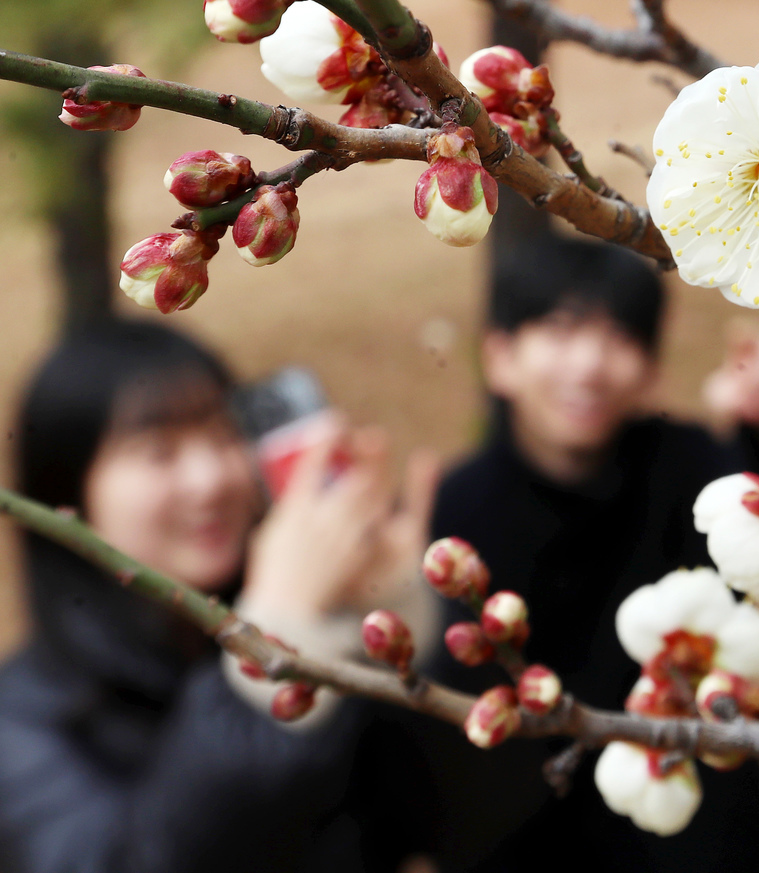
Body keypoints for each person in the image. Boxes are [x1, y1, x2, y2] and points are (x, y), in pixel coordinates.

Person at [424, 236, 759, 872]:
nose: (589, 363)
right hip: (543, 839)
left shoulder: (685, 464)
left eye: (620, 336)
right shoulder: (463, 504)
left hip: (713, 833)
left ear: (649, 371)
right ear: (499, 356)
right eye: (561, 329)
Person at [0, 320, 440, 873]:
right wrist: (274, 639)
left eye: (223, 435)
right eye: (158, 452)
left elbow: (452, 825)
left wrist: (396, 622)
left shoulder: (317, 635)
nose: (211, 478)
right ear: (67, 493)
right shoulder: (20, 723)